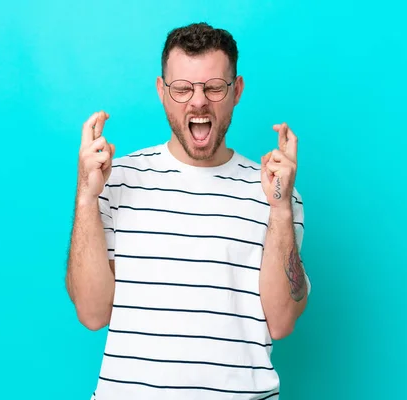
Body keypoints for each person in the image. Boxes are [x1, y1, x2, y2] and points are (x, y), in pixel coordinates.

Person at [65, 22, 311, 400]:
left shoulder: (276, 190)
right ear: (162, 92)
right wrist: (86, 197)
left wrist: (279, 209)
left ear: (236, 92)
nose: (198, 102)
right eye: (182, 89)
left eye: (213, 87)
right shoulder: (115, 181)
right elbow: (91, 312)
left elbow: (281, 321)